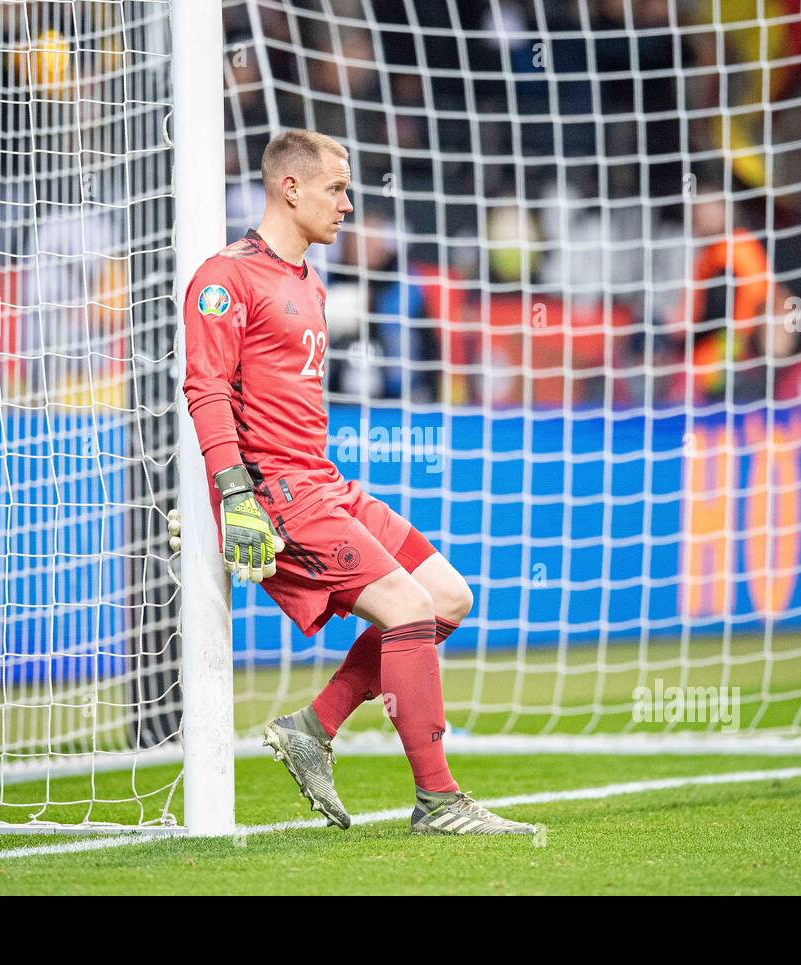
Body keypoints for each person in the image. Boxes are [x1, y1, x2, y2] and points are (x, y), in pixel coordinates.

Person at [173, 129, 536, 836]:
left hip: (325, 480)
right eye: (337, 189)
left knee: (449, 597)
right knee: (407, 608)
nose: (347, 204)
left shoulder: (309, 280)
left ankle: (315, 726)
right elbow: (205, 387)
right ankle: (439, 801)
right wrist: (235, 493)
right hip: (277, 493)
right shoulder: (225, 278)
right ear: (291, 188)